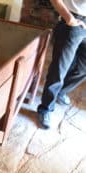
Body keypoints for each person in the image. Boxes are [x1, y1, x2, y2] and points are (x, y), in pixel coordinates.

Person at [37, 0, 86, 129]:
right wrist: (70, 19)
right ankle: (45, 108)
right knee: (59, 69)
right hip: (73, 21)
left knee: (83, 69)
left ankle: (60, 92)